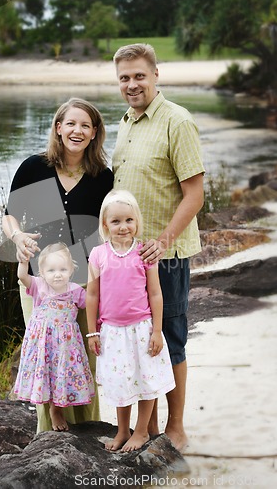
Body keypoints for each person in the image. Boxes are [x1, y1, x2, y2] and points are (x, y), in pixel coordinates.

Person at [112, 43, 205, 452]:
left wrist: (163, 241)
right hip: (126, 260)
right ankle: (142, 427)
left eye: (139, 76)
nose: (132, 84)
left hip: (164, 259)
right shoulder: (125, 122)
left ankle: (177, 427)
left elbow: (195, 195)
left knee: (170, 338)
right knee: (136, 341)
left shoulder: (177, 121)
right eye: (124, 78)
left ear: (155, 74)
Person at [1, 98, 114, 432]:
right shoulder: (34, 167)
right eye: (71, 123)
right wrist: (18, 236)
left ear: (94, 133)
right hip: (38, 282)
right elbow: (9, 216)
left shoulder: (102, 177)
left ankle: (87, 433)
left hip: (83, 285)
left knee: (83, 360)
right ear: (58, 127)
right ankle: (46, 435)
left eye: (85, 125)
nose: (77, 130)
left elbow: (107, 229)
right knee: (44, 357)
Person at [86, 190, 175, 452]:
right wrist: (92, 332)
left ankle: (142, 430)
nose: (123, 227)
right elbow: (92, 295)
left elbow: (155, 293)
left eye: (128, 220)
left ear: (137, 221)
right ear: (105, 225)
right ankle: (122, 430)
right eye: (115, 221)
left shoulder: (144, 253)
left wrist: (157, 331)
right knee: (119, 380)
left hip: (142, 329)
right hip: (112, 331)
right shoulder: (98, 254)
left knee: (146, 379)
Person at [14, 243, 95, 432]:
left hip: (65, 347)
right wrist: (23, 262)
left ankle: (59, 409)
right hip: (43, 345)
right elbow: (21, 276)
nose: (57, 274)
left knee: (61, 377)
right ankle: (52, 410)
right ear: (41, 272)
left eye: (62, 269)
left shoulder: (75, 290)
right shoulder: (39, 286)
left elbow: (92, 304)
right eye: (51, 270)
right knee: (46, 376)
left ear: (71, 270)